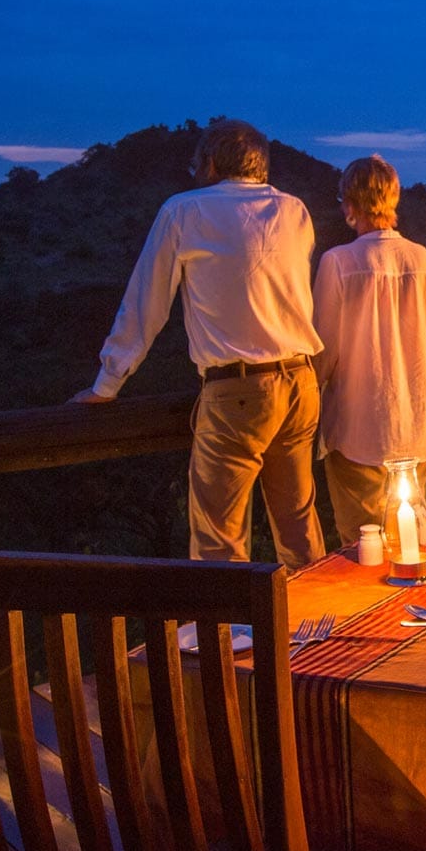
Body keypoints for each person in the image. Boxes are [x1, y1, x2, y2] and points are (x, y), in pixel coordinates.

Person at [69, 119, 326, 568]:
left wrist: (106, 385)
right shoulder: (294, 211)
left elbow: (146, 303)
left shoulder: (184, 211)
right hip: (301, 383)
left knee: (218, 541)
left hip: (238, 393)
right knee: (298, 529)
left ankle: (228, 636)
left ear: (209, 163)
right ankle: (320, 630)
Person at [312, 154, 426, 545]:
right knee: (411, 544)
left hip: (357, 432)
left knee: (361, 545)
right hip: (416, 430)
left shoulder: (338, 263)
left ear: (350, 206)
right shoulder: (423, 260)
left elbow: (324, 352)